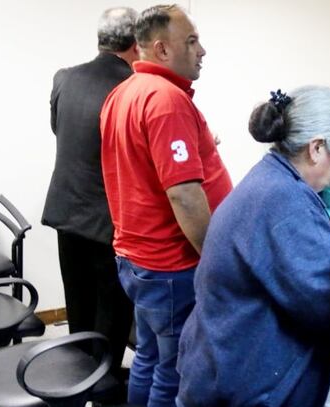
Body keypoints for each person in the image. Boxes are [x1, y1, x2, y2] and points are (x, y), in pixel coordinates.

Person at [177, 86, 330, 407]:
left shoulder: (269, 179)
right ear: (317, 148)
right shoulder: (287, 203)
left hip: (222, 368)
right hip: (250, 386)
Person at [99, 5, 232, 406]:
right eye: (191, 41)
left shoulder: (123, 94)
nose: (202, 51)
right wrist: (215, 258)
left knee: (149, 357)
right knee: (174, 371)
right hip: (170, 265)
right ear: (161, 49)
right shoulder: (166, 100)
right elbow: (184, 193)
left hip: (139, 260)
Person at [41, 7, 137, 399]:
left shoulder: (65, 78)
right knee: (112, 325)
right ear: (137, 43)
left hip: (68, 214)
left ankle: (74, 388)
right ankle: (102, 392)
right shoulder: (134, 89)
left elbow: (58, 129)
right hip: (112, 224)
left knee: (77, 311)